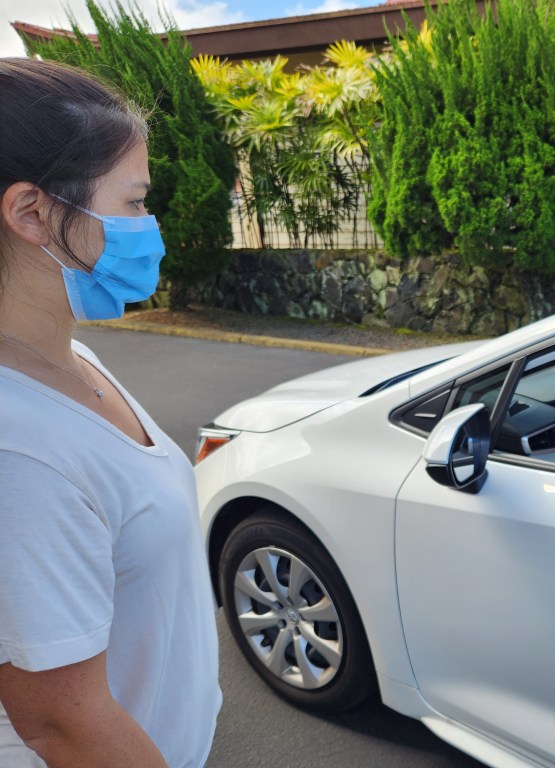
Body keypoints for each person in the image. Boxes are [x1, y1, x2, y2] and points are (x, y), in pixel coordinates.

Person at [0, 59, 219, 767]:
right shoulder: (17, 449)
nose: (148, 227)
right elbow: (62, 725)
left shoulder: (74, 357)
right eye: (133, 203)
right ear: (31, 213)